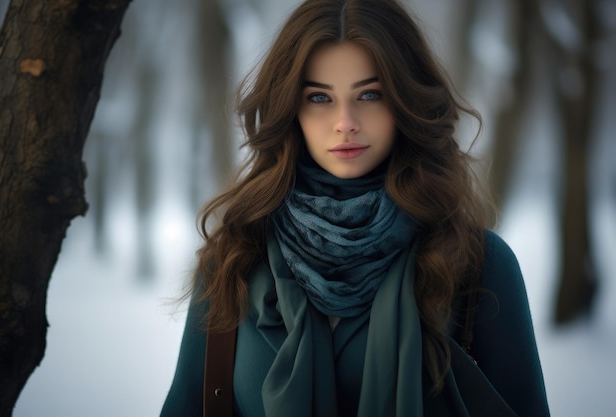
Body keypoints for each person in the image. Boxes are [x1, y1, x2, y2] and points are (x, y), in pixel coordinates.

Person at [161, 0, 550, 416]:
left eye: (369, 94)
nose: (345, 121)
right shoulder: (234, 259)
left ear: (406, 102)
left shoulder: (480, 265)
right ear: (291, 109)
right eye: (319, 98)